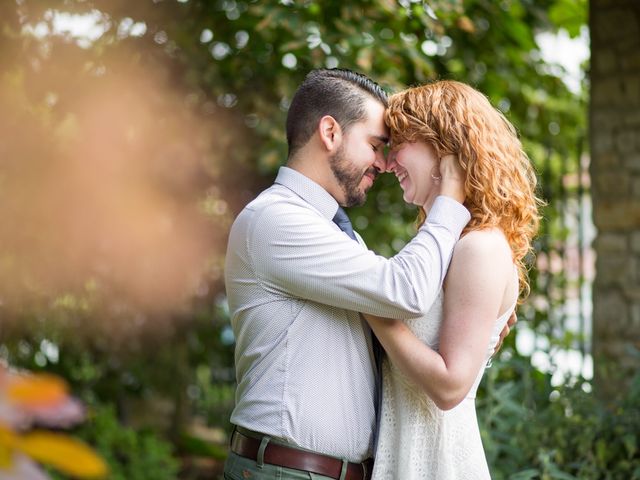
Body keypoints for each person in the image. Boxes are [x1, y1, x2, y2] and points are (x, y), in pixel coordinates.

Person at [223, 68, 471, 480]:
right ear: (330, 132)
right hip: (286, 473)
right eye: (375, 145)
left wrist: (475, 316)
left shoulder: (332, 233)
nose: (384, 163)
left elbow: (393, 326)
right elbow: (405, 290)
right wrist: (449, 197)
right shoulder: (276, 220)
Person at [365, 80, 541, 479]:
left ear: (443, 144)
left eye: (400, 142)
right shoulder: (452, 246)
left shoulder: (479, 248)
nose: (388, 161)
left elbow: (449, 387)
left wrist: (370, 307)